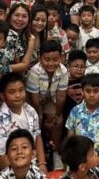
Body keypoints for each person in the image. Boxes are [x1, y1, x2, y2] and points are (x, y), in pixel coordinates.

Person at [0, 72, 46, 170]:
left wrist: (42, 164)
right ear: (2, 96)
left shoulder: (30, 110)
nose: (18, 95)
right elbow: (0, 159)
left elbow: (37, 136)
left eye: (21, 90)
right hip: (11, 170)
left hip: (32, 163)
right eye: (12, 92)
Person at [26, 39, 69, 167]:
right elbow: (35, 99)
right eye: (47, 59)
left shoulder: (63, 71)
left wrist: (56, 116)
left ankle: (55, 152)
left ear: (61, 58)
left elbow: (61, 96)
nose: (51, 63)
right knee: (35, 123)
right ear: (40, 58)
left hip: (51, 98)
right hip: (34, 101)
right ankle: (36, 153)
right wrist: (39, 117)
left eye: (55, 59)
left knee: (58, 122)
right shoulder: (35, 71)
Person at [66, 73, 99, 166]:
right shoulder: (75, 111)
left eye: (96, 91)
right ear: (82, 91)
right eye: (88, 91)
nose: (91, 94)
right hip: (78, 159)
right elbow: (71, 139)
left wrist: (97, 161)